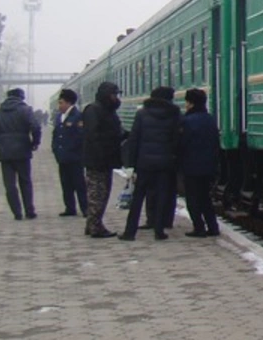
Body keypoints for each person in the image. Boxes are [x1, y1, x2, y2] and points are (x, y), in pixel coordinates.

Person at [120, 86, 181, 241]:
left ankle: (129, 232)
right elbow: (176, 140)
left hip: (144, 163)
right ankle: (159, 231)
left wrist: (130, 164)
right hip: (164, 163)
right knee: (161, 196)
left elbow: (134, 140)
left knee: (138, 197)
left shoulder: (142, 114)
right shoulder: (173, 114)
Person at [0, 88, 42, 220]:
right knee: (25, 181)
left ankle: (17, 213)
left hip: (5, 153)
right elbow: (36, 127)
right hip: (23, 150)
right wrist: (35, 142)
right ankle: (29, 211)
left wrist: (0, 144)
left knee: (10, 184)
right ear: (21, 98)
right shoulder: (26, 110)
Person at [82, 82, 124, 238]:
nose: (116, 98)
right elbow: (93, 135)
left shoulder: (107, 110)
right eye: (114, 94)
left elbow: (115, 131)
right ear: (107, 95)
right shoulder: (94, 109)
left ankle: (92, 224)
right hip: (97, 160)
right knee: (97, 194)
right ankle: (95, 227)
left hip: (105, 159)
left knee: (102, 193)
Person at [178, 88, 220, 238]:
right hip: (208, 165)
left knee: (193, 199)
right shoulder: (210, 119)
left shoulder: (186, 121)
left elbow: (182, 143)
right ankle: (213, 227)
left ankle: (199, 227)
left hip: (191, 166)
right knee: (205, 198)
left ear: (190, 103)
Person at [51, 89, 88, 217]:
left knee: (79, 184)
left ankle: (85, 208)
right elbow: (56, 135)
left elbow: (80, 137)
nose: (59, 105)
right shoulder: (59, 117)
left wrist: (73, 151)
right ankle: (70, 207)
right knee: (66, 184)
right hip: (63, 157)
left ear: (69, 103)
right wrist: (56, 150)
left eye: (61, 103)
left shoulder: (77, 116)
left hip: (75, 157)